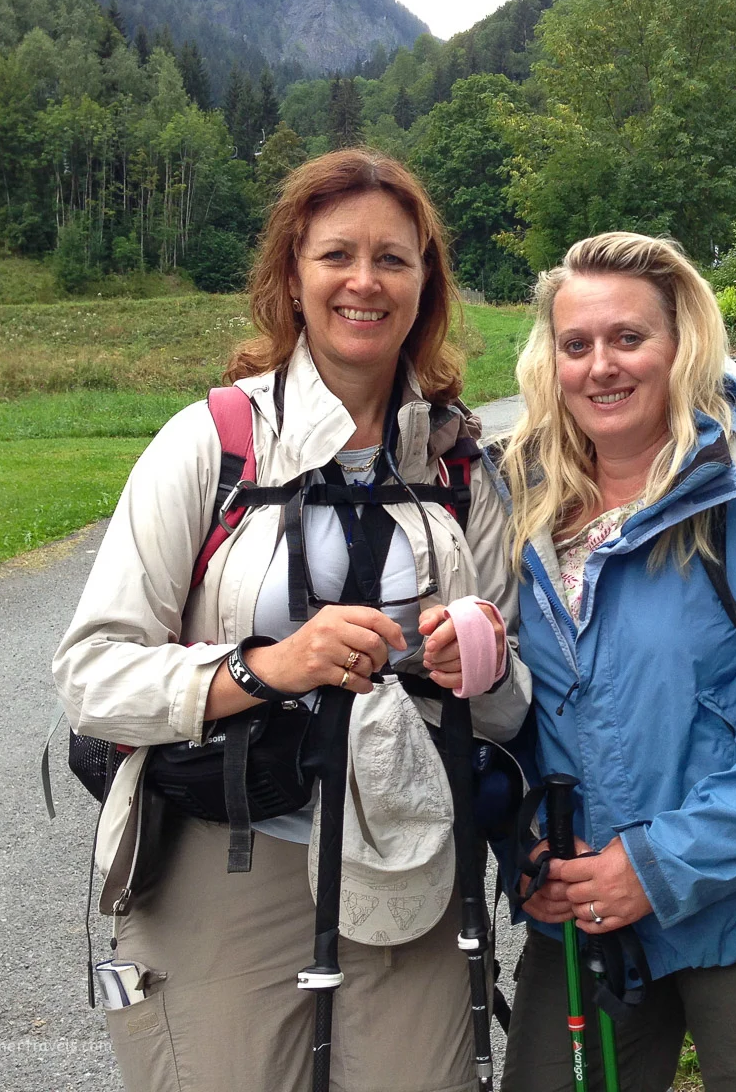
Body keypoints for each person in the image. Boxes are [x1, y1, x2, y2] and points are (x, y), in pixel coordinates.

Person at [54, 148, 529, 1092]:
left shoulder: (458, 465)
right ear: (292, 274)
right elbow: (91, 673)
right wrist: (266, 668)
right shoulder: (212, 443)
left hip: (409, 852)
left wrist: (475, 662)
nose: (365, 281)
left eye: (393, 258)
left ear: (425, 284)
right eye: (336, 255)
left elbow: (509, 710)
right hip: (229, 851)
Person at [499, 232, 736, 1092]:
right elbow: (513, 706)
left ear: (681, 346)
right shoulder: (526, 504)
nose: (601, 366)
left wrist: (654, 868)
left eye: (628, 338)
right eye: (577, 344)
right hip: (583, 908)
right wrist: (529, 852)